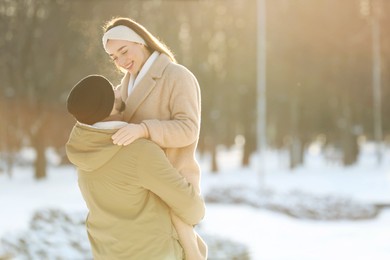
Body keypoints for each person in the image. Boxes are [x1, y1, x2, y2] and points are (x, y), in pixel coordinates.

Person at [65, 75, 205, 260]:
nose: (117, 89)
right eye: (111, 89)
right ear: (108, 105)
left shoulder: (84, 155)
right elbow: (192, 209)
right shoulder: (139, 152)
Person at [101, 17, 207, 260]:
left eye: (124, 51)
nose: (121, 61)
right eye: (114, 57)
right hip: (139, 192)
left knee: (181, 251)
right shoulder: (125, 87)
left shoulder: (177, 76)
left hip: (172, 184)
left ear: (141, 42)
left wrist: (145, 130)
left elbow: (188, 128)